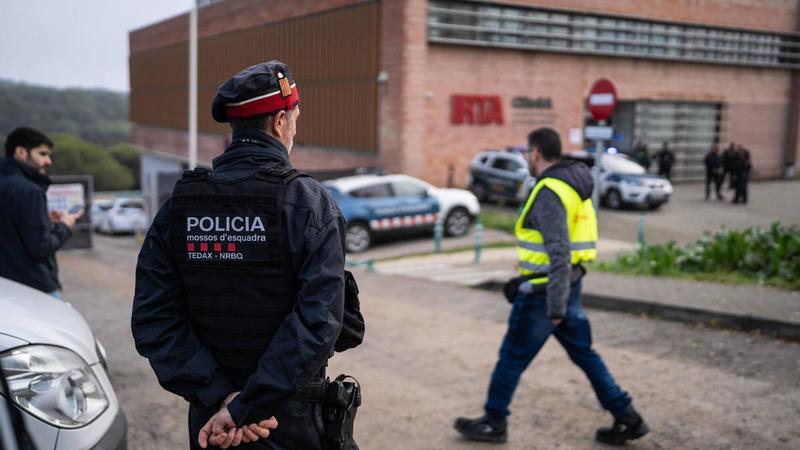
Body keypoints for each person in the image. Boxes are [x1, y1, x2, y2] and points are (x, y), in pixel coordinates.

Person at [131, 61, 351, 450]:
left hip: (212, 420)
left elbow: (154, 318)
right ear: (280, 122)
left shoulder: (179, 206)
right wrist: (247, 407)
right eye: (295, 117)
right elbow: (319, 321)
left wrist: (223, 399)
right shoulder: (308, 202)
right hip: (286, 417)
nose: (295, 128)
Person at [454, 127, 648, 446]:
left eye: (526, 153)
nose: (526, 159)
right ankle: (627, 416)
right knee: (585, 355)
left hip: (545, 296)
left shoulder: (548, 191)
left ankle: (494, 421)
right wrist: (524, 280)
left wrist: (554, 307)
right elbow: (558, 250)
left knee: (511, 358)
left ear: (536, 153)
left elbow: (559, 251)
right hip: (567, 284)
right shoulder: (573, 185)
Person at [0, 127, 82, 298]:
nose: (48, 161)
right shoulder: (30, 191)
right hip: (35, 288)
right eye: (43, 154)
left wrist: (45, 220)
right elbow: (40, 247)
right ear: (21, 152)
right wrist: (65, 225)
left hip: (6, 289)